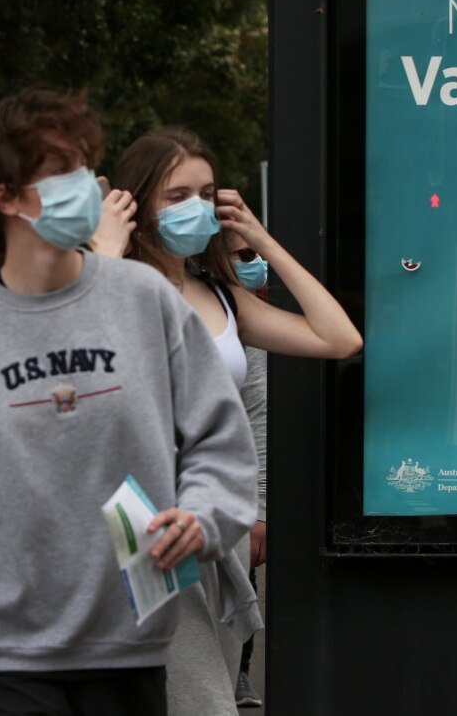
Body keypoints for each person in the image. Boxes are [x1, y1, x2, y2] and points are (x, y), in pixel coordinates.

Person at [0, 88, 257, 716]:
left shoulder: (145, 300)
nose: (83, 188)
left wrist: (204, 514)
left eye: (86, 169)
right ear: (3, 196)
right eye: (58, 173)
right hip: (1, 648)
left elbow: (218, 439)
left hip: (131, 638)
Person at [106, 126, 362, 715]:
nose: (194, 207)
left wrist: (262, 240)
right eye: (176, 195)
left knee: (206, 683)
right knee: (200, 701)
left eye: (206, 193)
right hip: (141, 520)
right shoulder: (109, 288)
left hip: (217, 523)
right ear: (136, 201)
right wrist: (101, 249)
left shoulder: (219, 296)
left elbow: (339, 336)